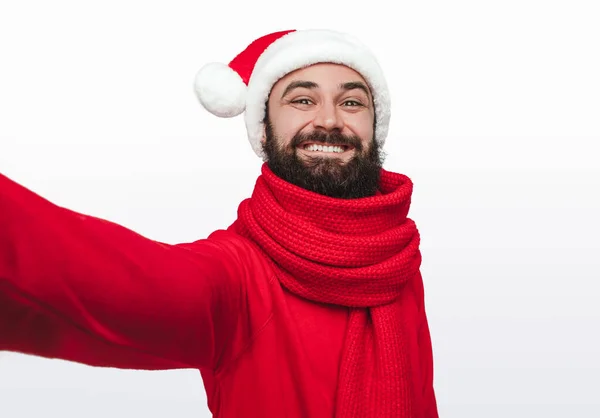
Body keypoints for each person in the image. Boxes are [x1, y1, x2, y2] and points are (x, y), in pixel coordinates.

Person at [0, 29, 438, 417]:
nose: (328, 120)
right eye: (302, 99)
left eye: (351, 102)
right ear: (264, 130)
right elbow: (116, 280)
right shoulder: (239, 274)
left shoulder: (395, 257)